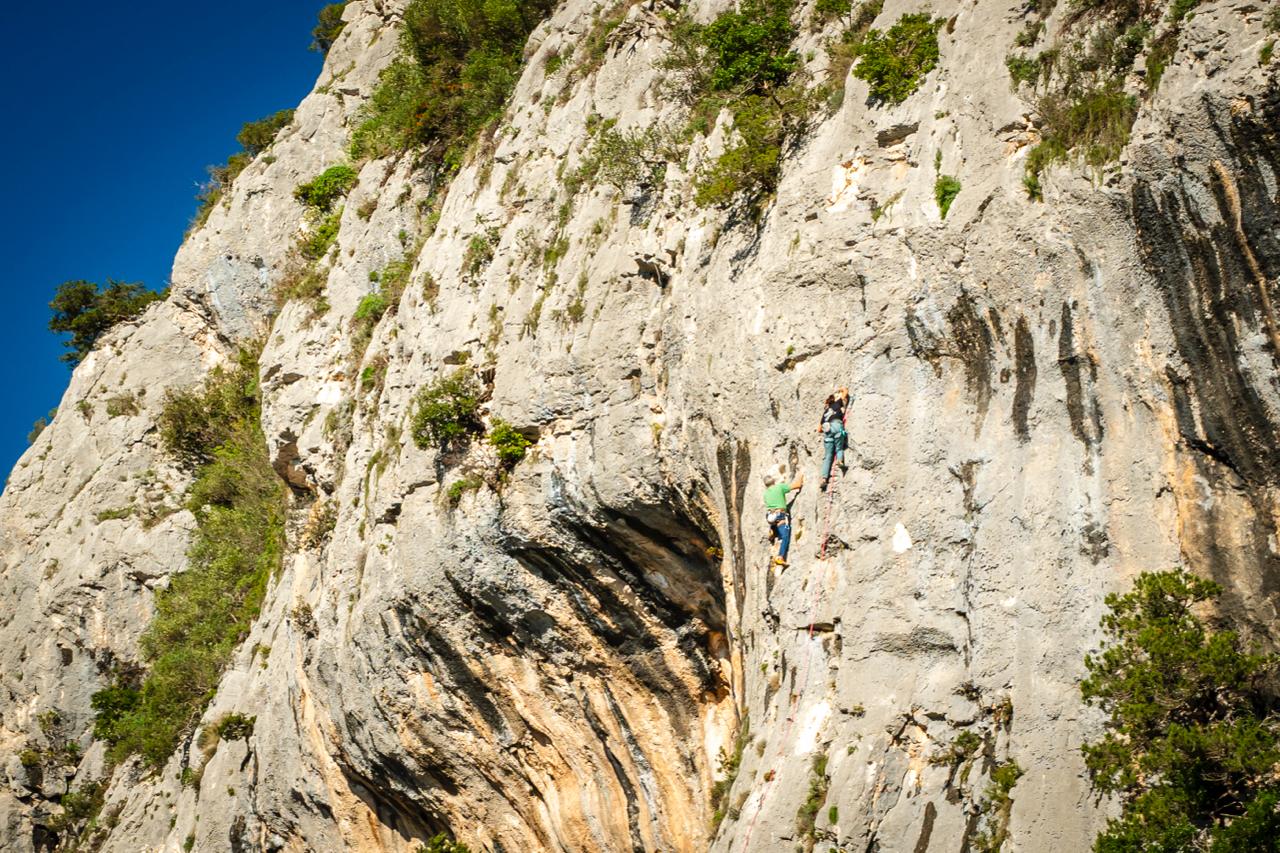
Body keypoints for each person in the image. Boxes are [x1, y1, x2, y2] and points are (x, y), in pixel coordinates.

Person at [764, 467, 803, 568]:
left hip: (770, 516)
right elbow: (797, 485)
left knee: (776, 523)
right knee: (785, 535)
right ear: (774, 481)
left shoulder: (765, 494)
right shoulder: (779, 487)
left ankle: (773, 531)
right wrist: (801, 474)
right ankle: (780, 557)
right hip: (779, 515)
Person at [818, 387, 850, 491]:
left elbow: (819, 429)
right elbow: (845, 392)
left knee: (828, 456)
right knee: (839, 448)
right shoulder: (837, 403)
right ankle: (840, 461)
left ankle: (824, 479)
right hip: (837, 426)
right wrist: (841, 389)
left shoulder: (825, 412)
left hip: (827, 429)